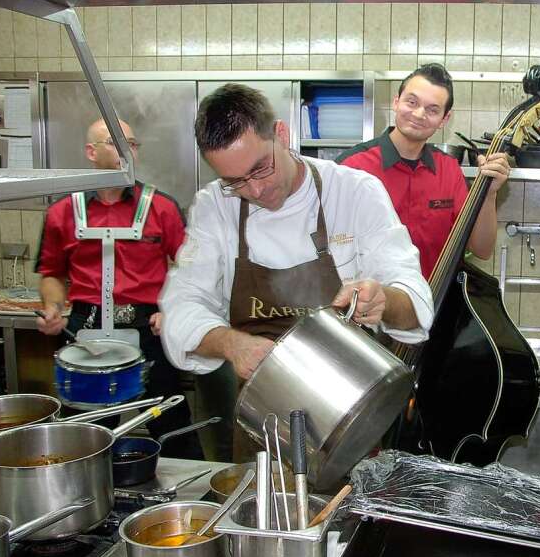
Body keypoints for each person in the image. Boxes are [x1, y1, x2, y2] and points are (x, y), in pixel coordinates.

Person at [158, 84, 433, 448]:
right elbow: (182, 307)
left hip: (350, 418)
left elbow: (416, 304)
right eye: (234, 181)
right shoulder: (214, 207)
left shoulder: (353, 192)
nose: (254, 190)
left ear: (282, 135)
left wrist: (383, 299)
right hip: (260, 422)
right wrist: (231, 344)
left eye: (260, 168)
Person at [35, 118, 203, 459]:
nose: (127, 150)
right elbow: (52, 272)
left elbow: (191, 270)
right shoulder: (62, 212)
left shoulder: (162, 207)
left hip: (149, 331)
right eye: (114, 142)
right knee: (86, 435)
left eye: (132, 143)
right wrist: (53, 308)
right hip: (85, 329)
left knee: (170, 425)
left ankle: (186, 506)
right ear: (90, 152)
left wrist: (171, 310)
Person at [337, 63, 509, 279]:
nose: (419, 114)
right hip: (369, 308)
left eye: (432, 109)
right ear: (396, 102)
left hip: (433, 305)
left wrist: (489, 194)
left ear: (444, 119)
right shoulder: (352, 167)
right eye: (412, 102)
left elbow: (481, 249)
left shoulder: (449, 170)